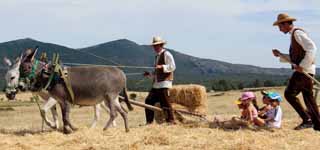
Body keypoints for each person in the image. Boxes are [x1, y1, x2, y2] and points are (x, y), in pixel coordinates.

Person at [272, 13, 320, 131]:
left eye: (280, 26)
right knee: (308, 97)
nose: (279, 29)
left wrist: (303, 66)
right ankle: (317, 123)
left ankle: (307, 119)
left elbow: (312, 48)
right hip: (306, 70)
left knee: (289, 94)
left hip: (304, 71)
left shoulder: (297, 33)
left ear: (286, 24)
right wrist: (280, 55)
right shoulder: (294, 34)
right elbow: (296, 56)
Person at [143, 36, 176, 124]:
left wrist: (162, 67)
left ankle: (171, 121)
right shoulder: (157, 57)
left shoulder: (167, 54)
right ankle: (149, 122)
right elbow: (156, 73)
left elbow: (172, 67)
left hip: (164, 83)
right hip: (157, 84)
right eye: (154, 46)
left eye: (157, 45)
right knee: (148, 101)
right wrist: (149, 74)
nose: (155, 47)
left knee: (165, 103)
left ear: (161, 45)